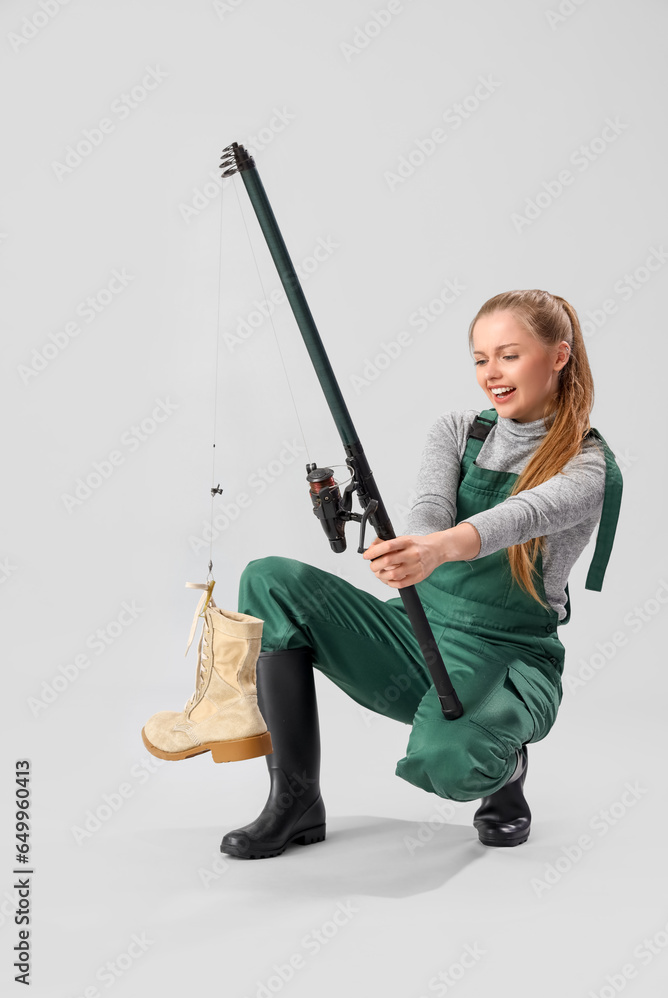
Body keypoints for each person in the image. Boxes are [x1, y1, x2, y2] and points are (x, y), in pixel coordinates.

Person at [217, 289, 623, 859]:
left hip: (507, 653)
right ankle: (296, 800)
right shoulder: (457, 429)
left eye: (508, 355)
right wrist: (414, 545)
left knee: (452, 764)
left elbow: (521, 516)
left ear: (559, 356)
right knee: (269, 580)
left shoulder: (589, 465)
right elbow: (431, 509)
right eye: (481, 359)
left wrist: (435, 550)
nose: (492, 374)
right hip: (417, 628)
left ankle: (505, 765)